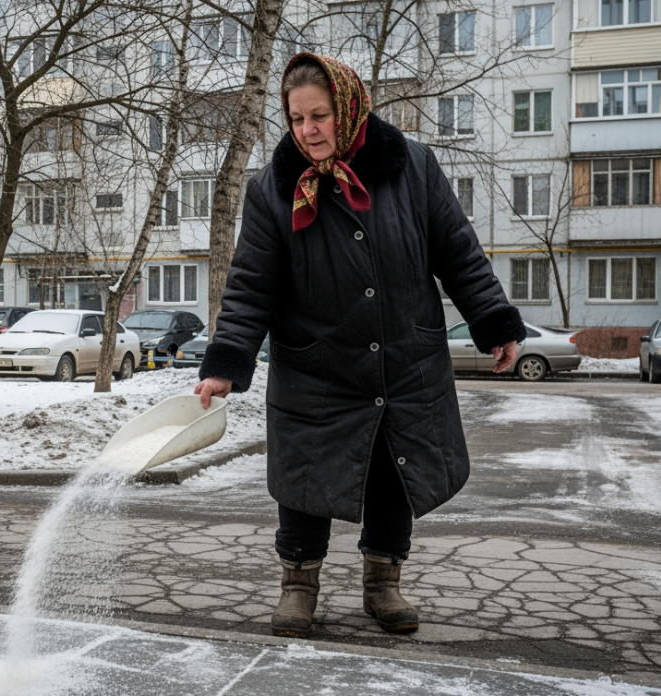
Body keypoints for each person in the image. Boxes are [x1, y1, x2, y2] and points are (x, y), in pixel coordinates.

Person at [194, 54, 525, 638]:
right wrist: (227, 362)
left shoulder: (412, 166)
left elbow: (457, 250)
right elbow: (250, 285)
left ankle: (383, 583)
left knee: (392, 473)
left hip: (403, 356)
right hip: (314, 365)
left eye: (319, 115)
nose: (308, 130)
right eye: (296, 119)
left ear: (348, 110)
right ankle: (298, 585)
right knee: (305, 480)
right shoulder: (273, 188)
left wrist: (494, 322)